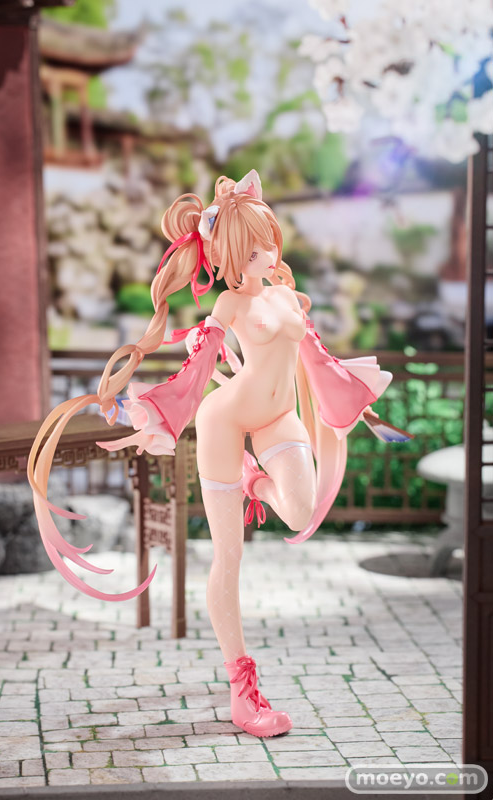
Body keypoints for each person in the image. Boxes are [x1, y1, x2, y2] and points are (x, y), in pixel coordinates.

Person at [28, 169, 393, 738]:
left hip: (279, 417)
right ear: (226, 257)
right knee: (230, 557)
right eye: (251, 250)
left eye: (267, 242)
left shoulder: (285, 293)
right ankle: (243, 691)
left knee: (300, 511)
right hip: (226, 420)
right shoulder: (229, 302)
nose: (265, 254)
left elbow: (315, 359)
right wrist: (150, 408)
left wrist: (354, 401)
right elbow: (198, 365)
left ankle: (255, 483)